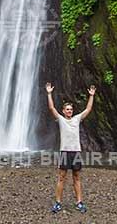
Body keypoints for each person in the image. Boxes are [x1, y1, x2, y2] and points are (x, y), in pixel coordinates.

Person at [45, 82, 95, 213]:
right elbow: (51, 108)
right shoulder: (61, 120)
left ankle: (79, 202)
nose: (69, 111)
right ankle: (58, 203)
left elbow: (88, 109)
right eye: (67, 109)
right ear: (63, 111)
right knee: (62, 177)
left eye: (71, 110)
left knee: (77, 177)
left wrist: (91, 96)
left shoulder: (77, 119)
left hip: (76, 152)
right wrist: (49, 93)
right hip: (65, 151)